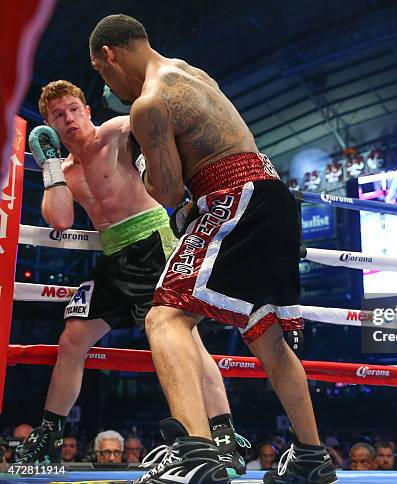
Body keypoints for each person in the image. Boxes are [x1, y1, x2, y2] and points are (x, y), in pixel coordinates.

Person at [89, 14, 336, 484]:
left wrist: (140, 161)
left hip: (234, 196)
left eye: (100, 72)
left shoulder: (149, 104)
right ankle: (310, 457)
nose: (106, 83)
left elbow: (165, 190)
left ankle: (195, 454)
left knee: (165, 316)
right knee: (264, 330)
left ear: (108, 55)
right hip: (270, 195)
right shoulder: (190, 71)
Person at [14, 80, 246, 477]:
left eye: (72, 109)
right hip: (113, 257)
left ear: (87, 110)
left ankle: (222, 434)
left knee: (185, 340)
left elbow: (163, 118)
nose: (68, 119)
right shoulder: (66, 170)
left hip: (155, 242)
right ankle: (48, 436)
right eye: (57, 115)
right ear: (50, 124)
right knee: (73, 340)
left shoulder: (117, 131)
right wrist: (51, 166)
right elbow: (60, 219)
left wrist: (140, 94)